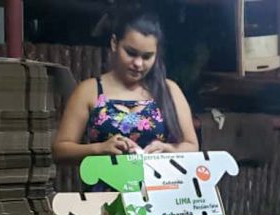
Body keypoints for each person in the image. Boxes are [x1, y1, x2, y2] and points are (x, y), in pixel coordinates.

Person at [53, 11, 198, 163]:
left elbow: (192, 146)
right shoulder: (89, 91)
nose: (138, 63)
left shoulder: (169, 90)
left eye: (147, 56)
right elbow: (60, 150)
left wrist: (167, 149)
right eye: (131, 53)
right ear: (114, 43)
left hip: (158, 186)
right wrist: (99, 149)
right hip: (107, 186)